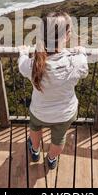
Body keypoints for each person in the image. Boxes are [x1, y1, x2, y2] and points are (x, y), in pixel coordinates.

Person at [18, 12, 88, 169]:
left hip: (39, 111)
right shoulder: (76, 62)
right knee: (59, 139)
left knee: (35, 130)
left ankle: (35, 151)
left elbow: (22, 63)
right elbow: (83, 66)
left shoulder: (31, 65)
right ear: (67, 35)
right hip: (65, 113)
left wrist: (23, 52)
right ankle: (51, 160)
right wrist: (81, 51)